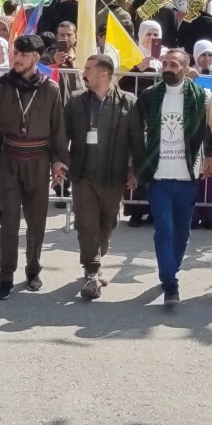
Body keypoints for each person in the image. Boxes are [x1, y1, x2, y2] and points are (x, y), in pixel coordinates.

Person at [128, 49, 212, 305]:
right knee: (164, 230)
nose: (168, 68)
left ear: (185, 67)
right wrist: (133, 166)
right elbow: (135, 133)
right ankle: (170, 281)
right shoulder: (149, 96)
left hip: (187, 176)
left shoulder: (202, 97)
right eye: (165, 64)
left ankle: (172, 269)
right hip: (158, 176)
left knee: (182, 232)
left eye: (174, 64)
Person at [0, 34, 69, 299]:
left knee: (36, 222)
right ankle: (6, 276)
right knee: (8, 222)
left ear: (35, 58)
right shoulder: (1, 86)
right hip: (10, 160)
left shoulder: (50, 88)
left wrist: (58, 161)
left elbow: (58, 130)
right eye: (15, 54)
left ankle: (33, 271)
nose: (16, 59)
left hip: (38, 160)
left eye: (22, 55)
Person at [64, 53, 136, 300]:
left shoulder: (128, 102)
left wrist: (134, 169)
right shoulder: (75, 101)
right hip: (83, 174)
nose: (83, 72)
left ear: (103, 74)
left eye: (88, 68)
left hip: (113, 175)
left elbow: (136, 139)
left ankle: (96, 259)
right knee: (86, 223)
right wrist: (59, 162)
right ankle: (92, 273)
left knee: (107, 224)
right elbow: (62, 135)